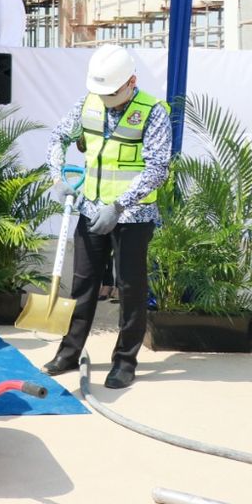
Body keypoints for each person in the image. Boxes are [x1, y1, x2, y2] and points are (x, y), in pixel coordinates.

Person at [42, 44, 169, 389]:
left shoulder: (153, 112)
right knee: (83, 284)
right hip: (90, 209)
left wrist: (119, 206)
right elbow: (58, 137)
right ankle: (69, 353)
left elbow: (158, 169)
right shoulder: (88, 102)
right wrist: (58, 178)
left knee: (130, 288)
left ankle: (125, 361)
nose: (106, 98)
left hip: (133, 216)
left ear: (131, 82)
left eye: (112, 92)